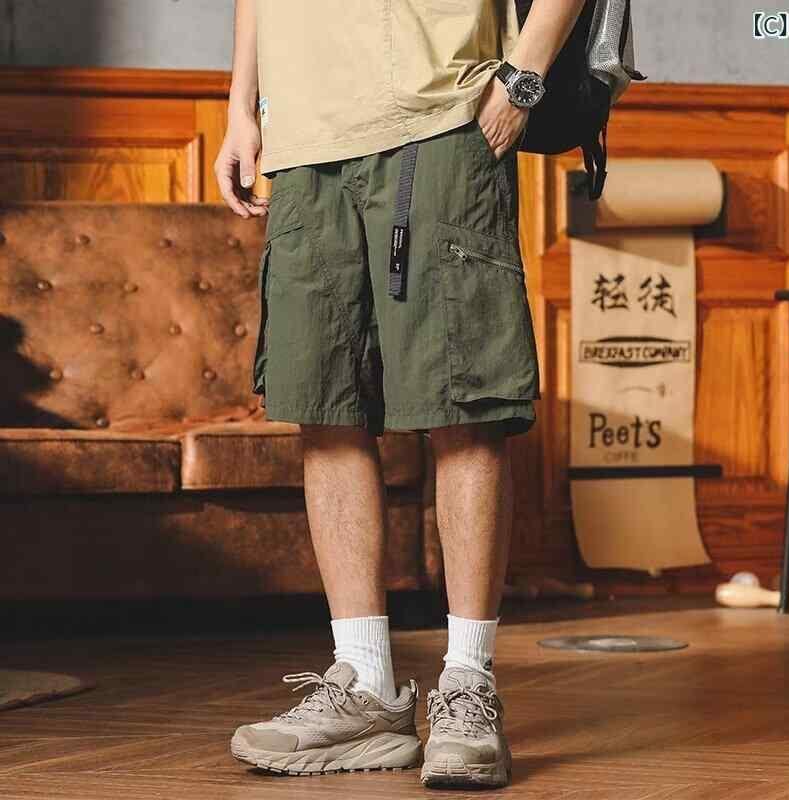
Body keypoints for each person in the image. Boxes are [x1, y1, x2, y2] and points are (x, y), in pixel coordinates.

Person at [217, 0, 584, 788]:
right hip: (303, 135)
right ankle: (366, 688)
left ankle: (468, 685)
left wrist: (522, 81)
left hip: (439, 115)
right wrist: (241, 104)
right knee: (326, 410)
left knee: (465, 409)